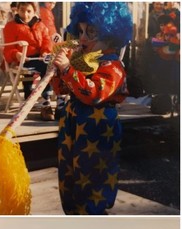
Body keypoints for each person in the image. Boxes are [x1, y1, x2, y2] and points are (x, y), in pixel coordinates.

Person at [52, 2, 132, 214]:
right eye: (80, 31)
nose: (83, 38)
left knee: (92, 178)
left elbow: (94, 94)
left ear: (110, 34)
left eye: (92, 32)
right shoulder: (83, 60)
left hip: (97, 128)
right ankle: (72, 212)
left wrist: (68, 69)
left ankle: (92, 213)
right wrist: (58, 70)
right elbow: (61, 89)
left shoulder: (112, 66)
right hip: (73, 125)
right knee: (69, 175)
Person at [3, 2, 55, 120]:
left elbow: (46, 41)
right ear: (18, 10)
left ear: (34, 11)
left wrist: (46, 51)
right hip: (22, 59)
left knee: (52, 64)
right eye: (22, 10)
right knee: (46, 67)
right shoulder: (11, 26)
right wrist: (16, 54)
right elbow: (8, 48)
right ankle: (45, 103)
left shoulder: (40, 25)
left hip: (39, 58)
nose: (25, 14)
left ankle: (55, 99)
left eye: (29, 11)